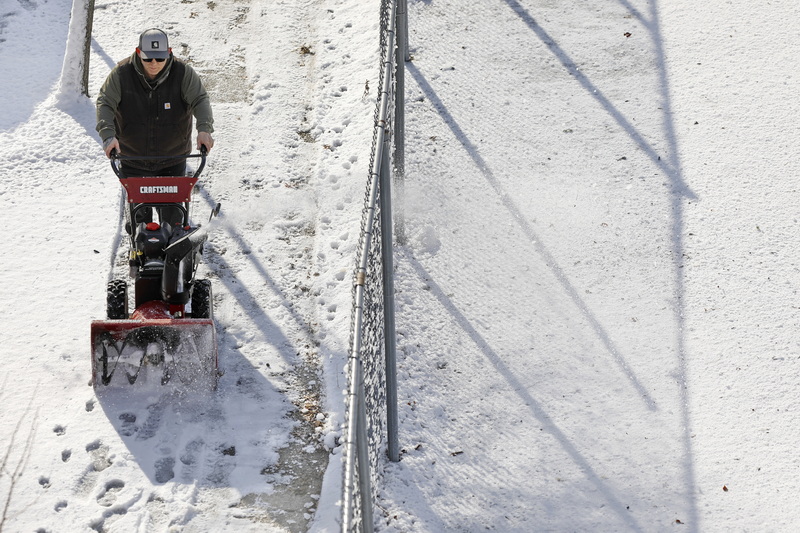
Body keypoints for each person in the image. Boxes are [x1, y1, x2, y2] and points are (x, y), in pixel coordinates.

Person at [96, 28, 214, 177]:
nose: (154, 64)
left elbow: (200, 99)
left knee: (173, 201)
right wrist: (108, 135)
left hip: (174, 158)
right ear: (138, 52)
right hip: (132, 157)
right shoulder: (121, 74)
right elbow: (105, 102)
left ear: (169, 52)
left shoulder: (183, 73)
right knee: (137, 201)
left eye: (159, 59)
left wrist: (204, 130)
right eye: (147, 59)